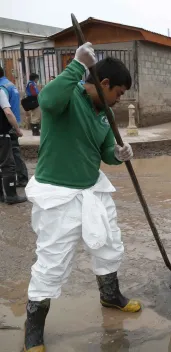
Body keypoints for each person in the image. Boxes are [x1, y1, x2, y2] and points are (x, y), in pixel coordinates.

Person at [23, 43, 140, 352]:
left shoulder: (104, 116)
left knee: (109, 244)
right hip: (58, 195)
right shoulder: (68, 97)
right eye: (118, 93)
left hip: (92, 191)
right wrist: (76, 64)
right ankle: (33, 332)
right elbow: (46, 100)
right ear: (104, 84)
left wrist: (118, 154)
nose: (119, 99)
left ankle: (110, 296)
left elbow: (103, 153)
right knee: (52, 260)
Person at [0, 68, 28, 204]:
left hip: (6, 128)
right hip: (7, 128)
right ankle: (14, 191)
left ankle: (5, 194)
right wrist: (17, 127)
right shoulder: (8, 85)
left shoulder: (2, 87)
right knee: (10, 160)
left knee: (9, 159)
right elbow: (9, 111)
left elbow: (8, 111)